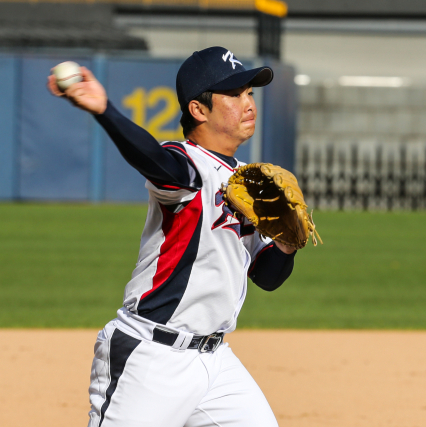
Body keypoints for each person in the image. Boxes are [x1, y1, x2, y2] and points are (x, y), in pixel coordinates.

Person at [47, 47, 297, 427]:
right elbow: (155, 161)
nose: (248, 103)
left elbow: (267, 277)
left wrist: (286, 242)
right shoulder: (186, 164)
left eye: (249, 92)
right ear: (199, 110)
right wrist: (104, 111)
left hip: (216, 363)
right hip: (151, 359)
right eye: (234, 94)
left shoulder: (251, 182)